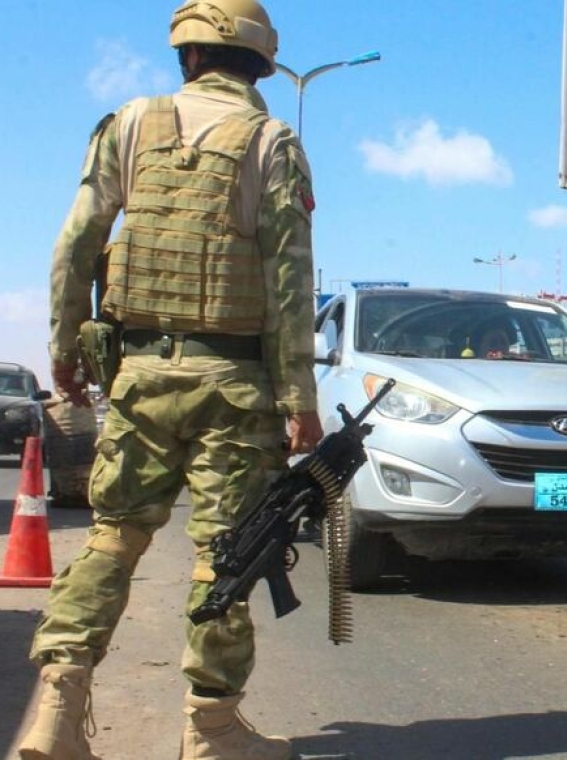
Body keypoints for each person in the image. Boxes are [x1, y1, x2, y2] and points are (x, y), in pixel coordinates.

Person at [20, 2, 322, 758]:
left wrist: (63, 352)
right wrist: (301, 401)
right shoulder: (272, 141)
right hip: (233, 385)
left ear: (185, 56)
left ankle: (55, 717)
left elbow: (75, 244)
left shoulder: (128, 124)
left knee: (112, 540)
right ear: (262, 66)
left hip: (141, 377)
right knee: (225, 554)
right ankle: (211, 734)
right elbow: (289, 283)